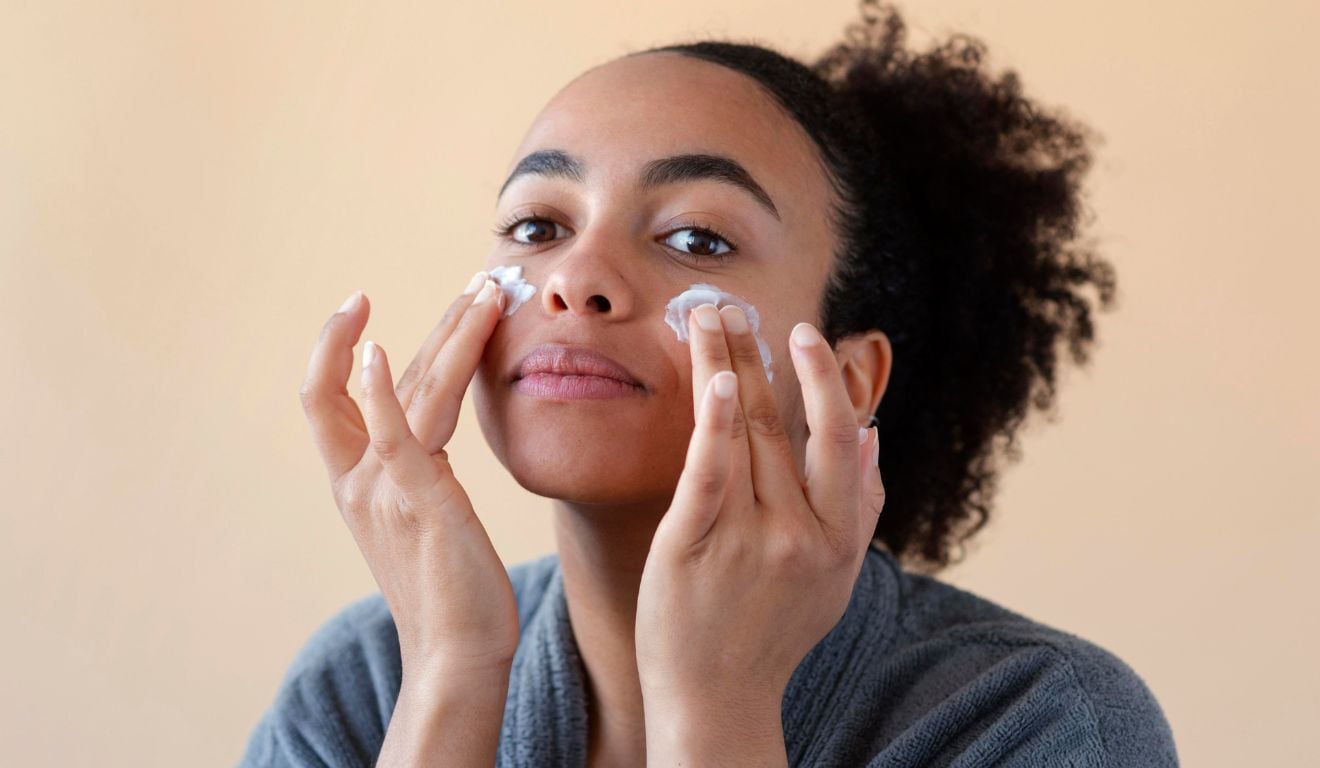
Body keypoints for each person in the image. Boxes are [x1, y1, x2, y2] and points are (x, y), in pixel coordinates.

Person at [242, 1, 1179, 765]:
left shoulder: (1033, 721)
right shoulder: (362, 689)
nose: (576, 278)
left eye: (697, 239)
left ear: (848, 382)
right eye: (536, 226)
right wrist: (448, 675)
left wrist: (715, 702)